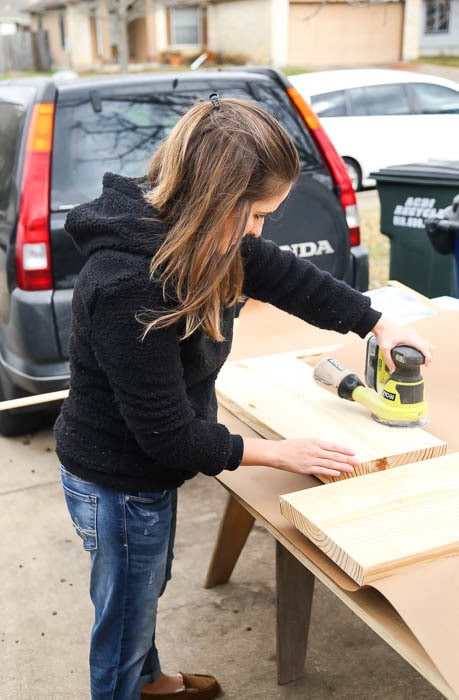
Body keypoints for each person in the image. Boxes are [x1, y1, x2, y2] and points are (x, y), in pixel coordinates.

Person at [55, 95, 433, 700]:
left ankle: (148, 681)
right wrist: (281, 453)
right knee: (124, 611)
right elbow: (168, 436)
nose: (257, 232)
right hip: (116, 479)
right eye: (255, 215)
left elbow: (288, 277)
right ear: (214, 198)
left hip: (142, 475)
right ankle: (127, 684)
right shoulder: (128, 283)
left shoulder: (202, 235)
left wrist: (376, 322)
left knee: (139, 590)